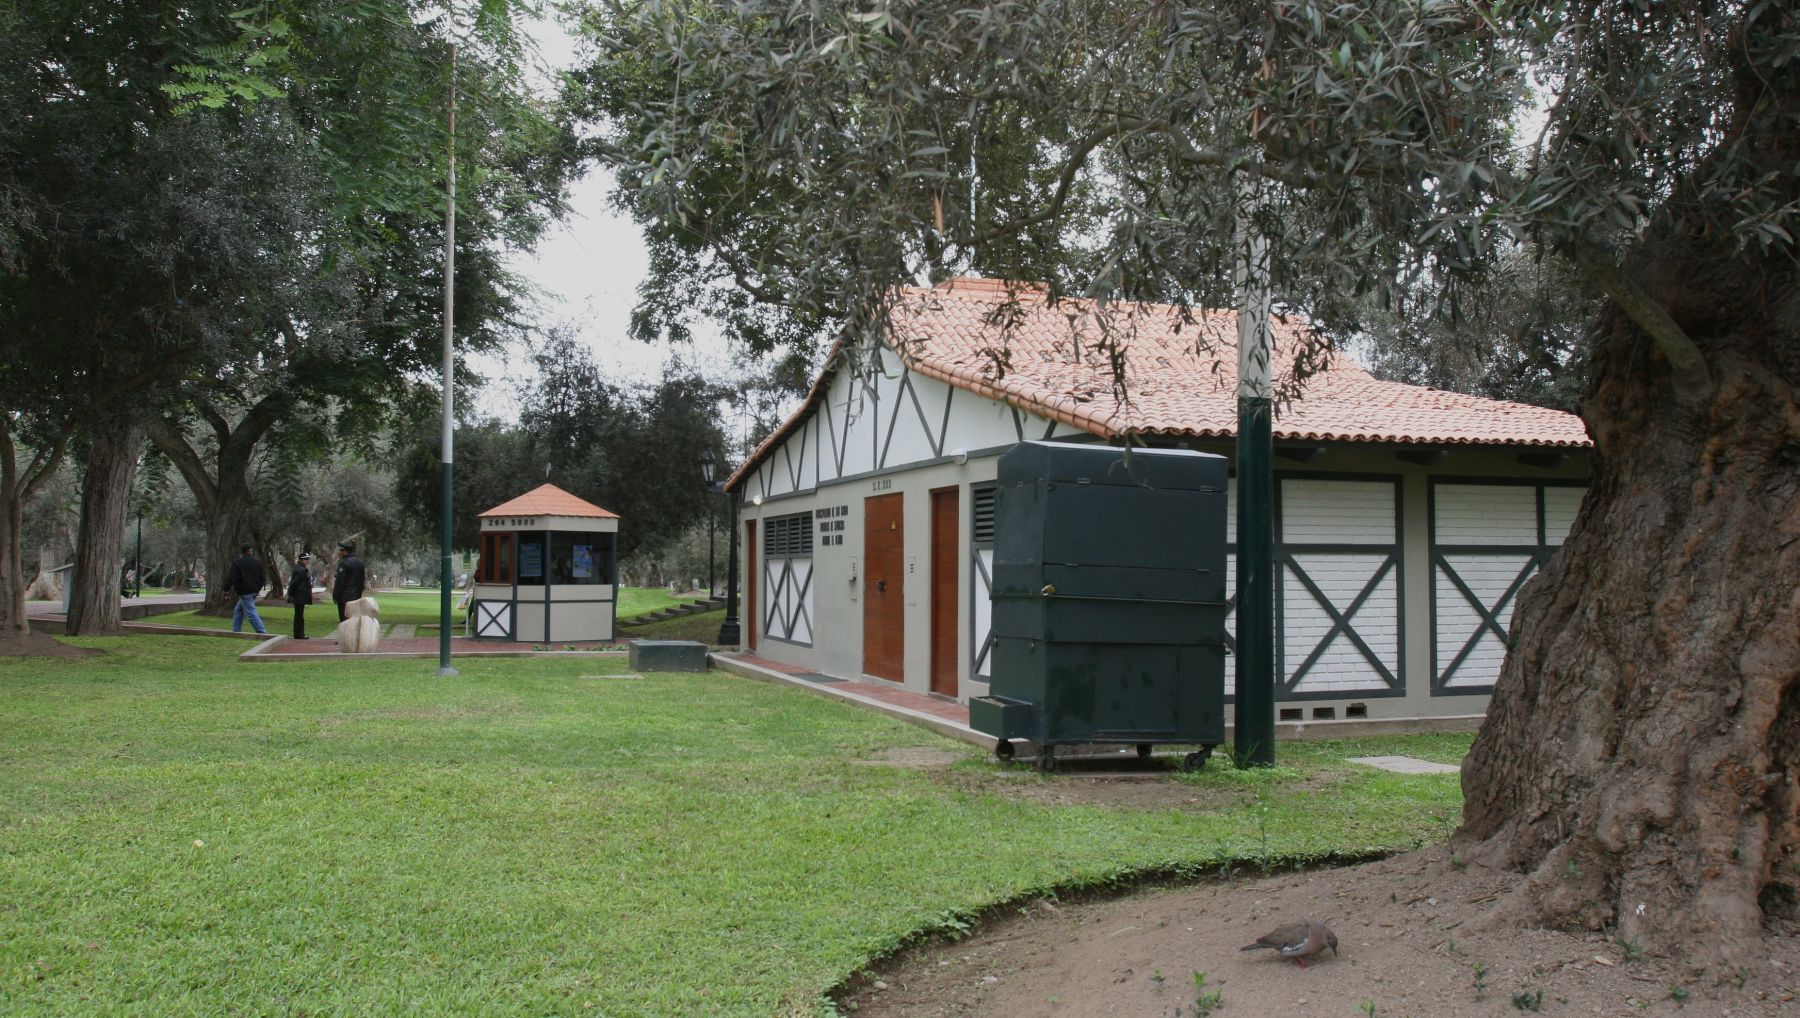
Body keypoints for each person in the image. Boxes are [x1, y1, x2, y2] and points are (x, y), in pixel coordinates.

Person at [226, 544, 269, 635]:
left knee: (250, 611)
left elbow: (232, 577)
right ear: (250, 551)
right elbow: (263, 577)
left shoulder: (237, 563)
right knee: (238, 609)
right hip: (254, 590)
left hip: (244, 591)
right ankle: (236, 630)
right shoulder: (258, 562)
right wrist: (258, 588)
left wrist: (226, 588)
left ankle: (262, 632)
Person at [332, 541, 366, 622]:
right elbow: (362, 580)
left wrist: (335, 595)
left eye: (341, 551)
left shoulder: (344, 563)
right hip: (356, 596)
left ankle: (346, 634)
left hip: (344, 597)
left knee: (344, 620)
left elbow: (340, 581)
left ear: (345, 551)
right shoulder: (360, 563)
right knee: (354, 619)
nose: (340, 553)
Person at [286, 552, 315, 639]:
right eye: (305, 559)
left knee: (299, 615)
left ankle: (298, 633)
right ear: (300, 560)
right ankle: (299, 634)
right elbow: (294, 583)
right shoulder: (301, 570)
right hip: (299, 595)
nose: (307, 561)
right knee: (299, 615)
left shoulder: (300, 569)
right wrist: (290, 593)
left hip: (299, 595)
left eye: (307, 559)